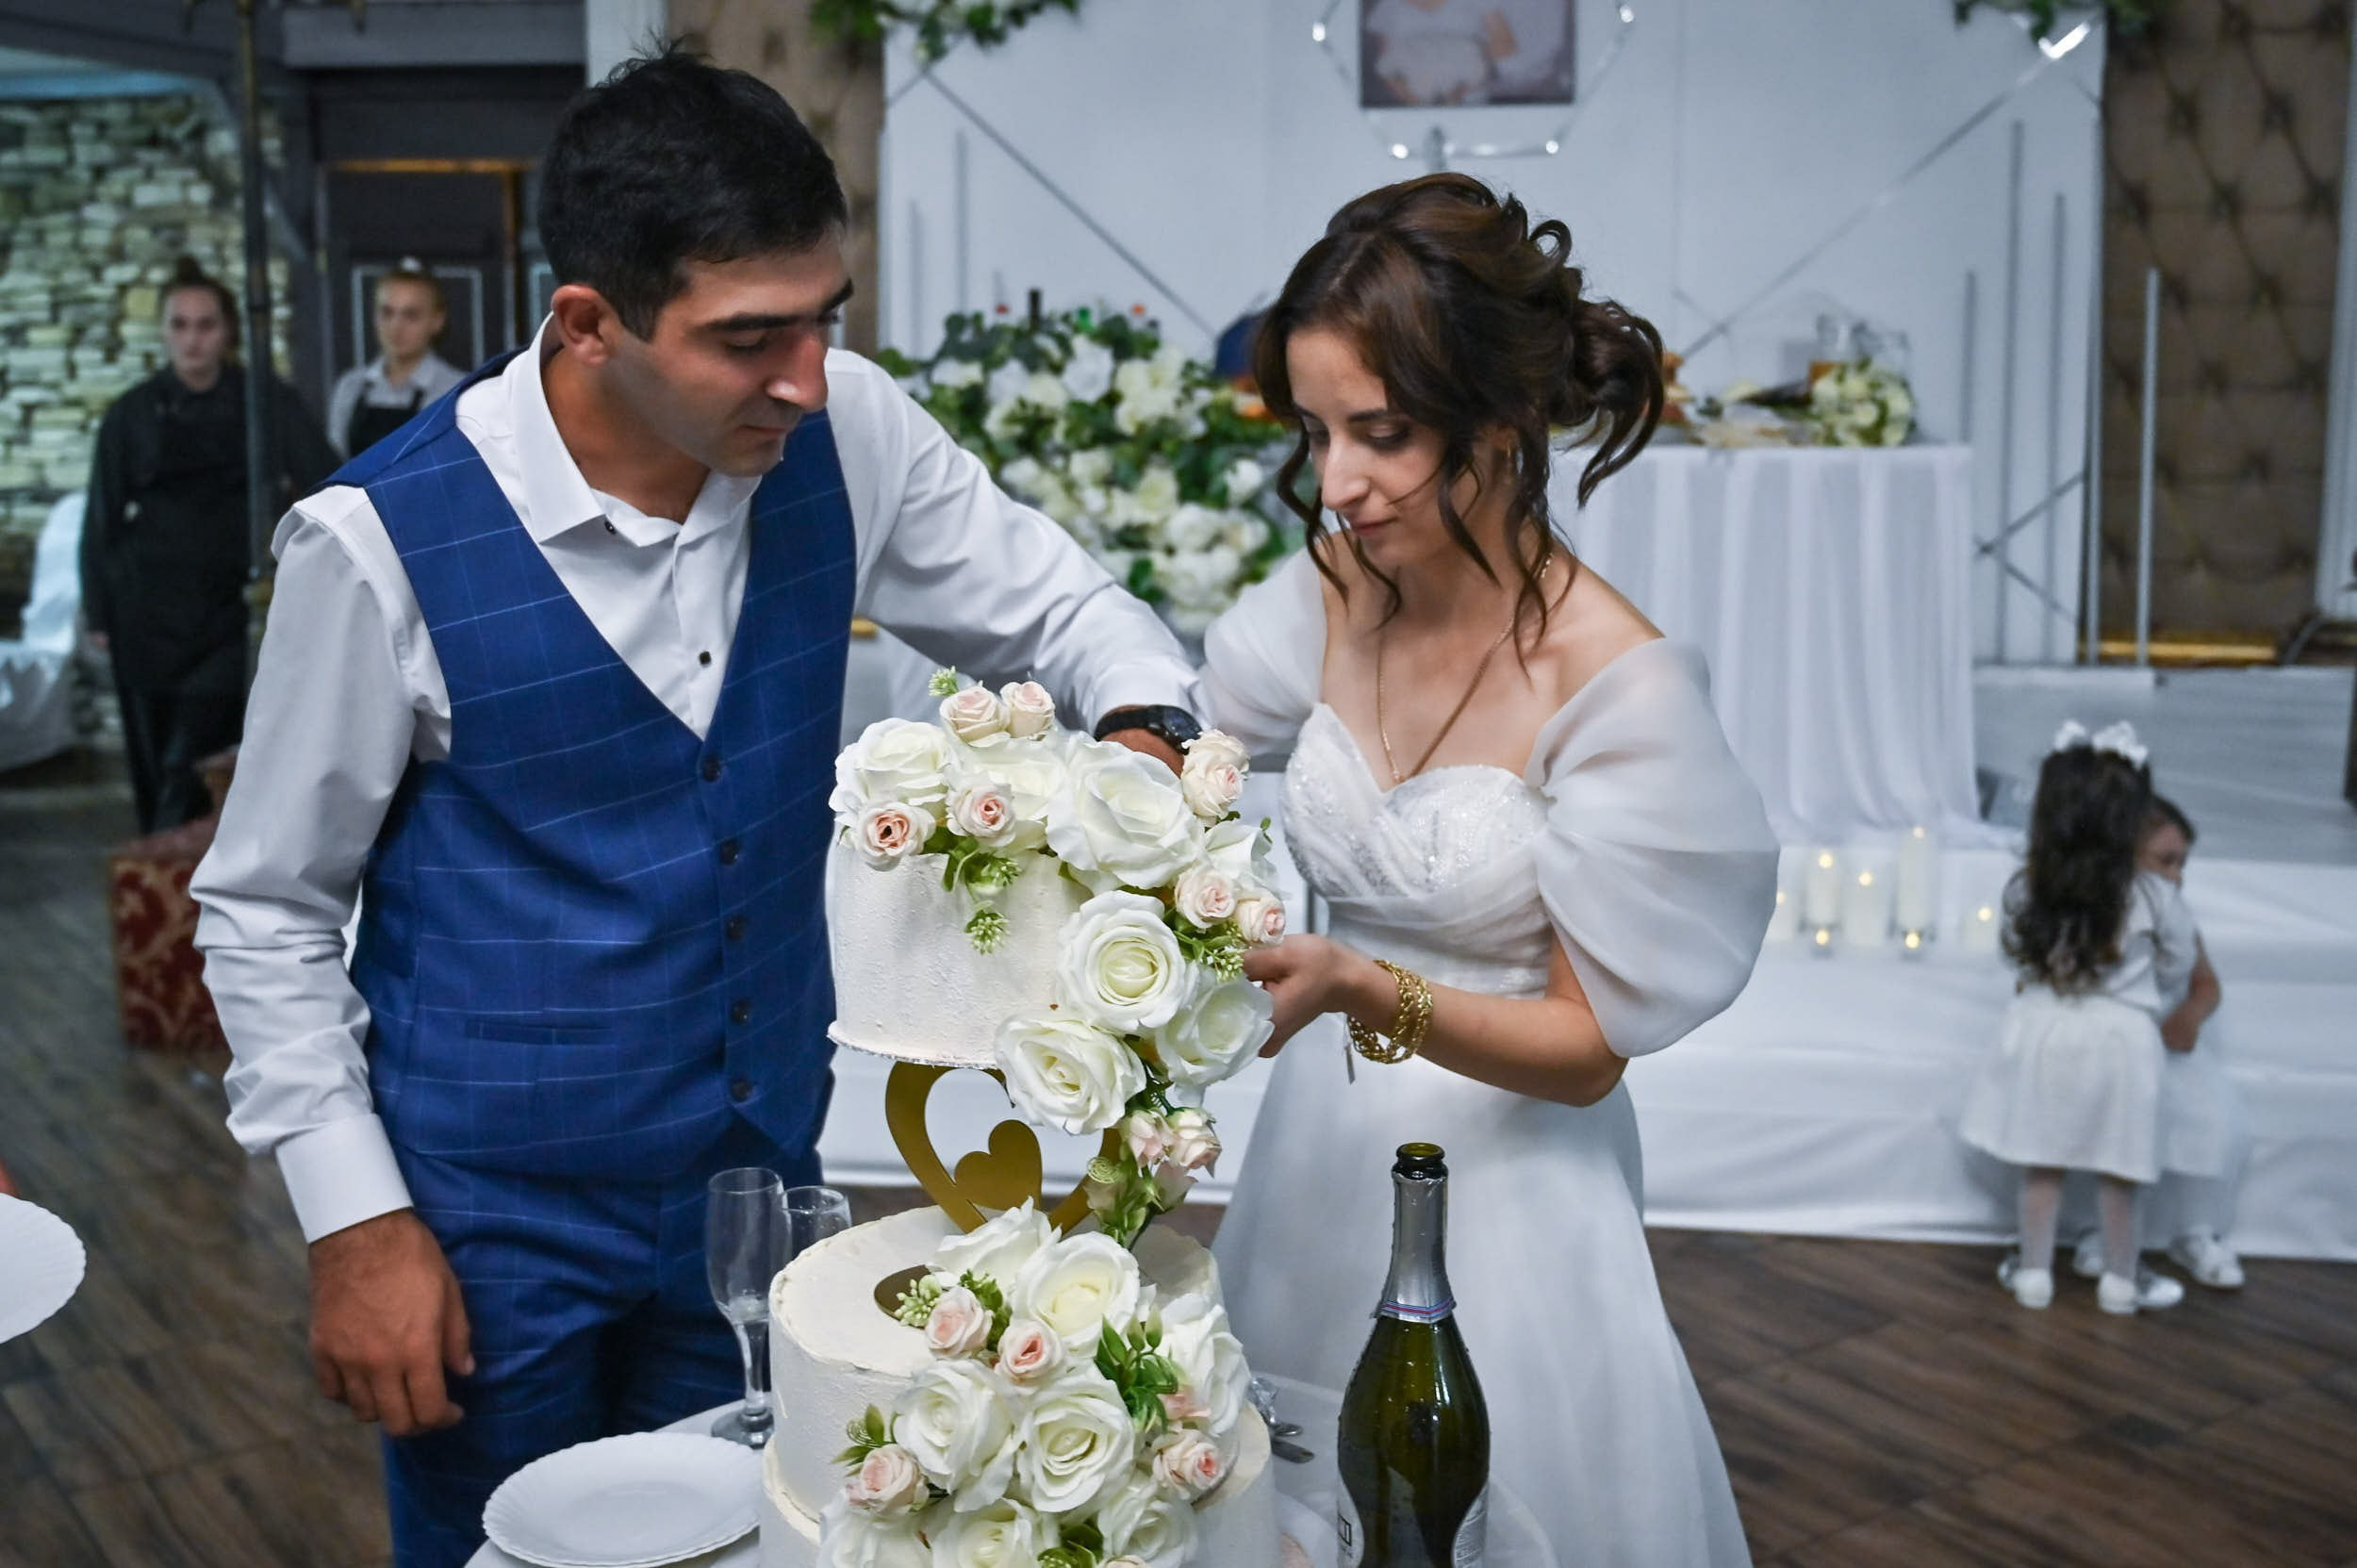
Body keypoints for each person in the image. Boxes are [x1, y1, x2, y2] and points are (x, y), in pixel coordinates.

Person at [190, 50, 1201, 1568]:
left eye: (823, 320)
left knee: (771, 1543)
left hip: (757, 1191)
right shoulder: (376, 543)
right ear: (587, 324)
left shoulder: (843, 431)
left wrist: (1144, 736)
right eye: (748, 337)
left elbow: (1068, 606)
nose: (804, 373)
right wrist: (353, 1220)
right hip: (486, 1222)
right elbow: (265, 903)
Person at [1204, 174, 1777, 1566]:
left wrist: (1351, 977)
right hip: (1310, 1161)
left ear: (1503, 424)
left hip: (1516, 1192)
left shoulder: (1617, 684)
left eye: (1381, 434)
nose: (1335, 484)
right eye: (1320, 431)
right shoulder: (1328, 594)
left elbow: (1588, 1052)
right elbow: (1193, 763)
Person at [81, 256, 338, 833]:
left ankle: (198, 890)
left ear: (226, 332)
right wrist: (99, 609)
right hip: (145, 614)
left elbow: (324, 478)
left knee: (196, 764)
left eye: (205, 326)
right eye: (180, 325)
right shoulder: (131, 414)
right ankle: (160, 890)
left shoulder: (264, 402)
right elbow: (101, 517)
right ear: (165, 332)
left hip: (230, 613)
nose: (192, 340)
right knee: (153, 763)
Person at [1958, 721, 2196, 1316]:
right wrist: (2150, 992)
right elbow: (2179, 960)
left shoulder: (2031, 889)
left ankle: (2034, 1272)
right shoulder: (2153, 897)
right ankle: (2120, 1279)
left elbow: (2015, 950)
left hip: (2048, 1027)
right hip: (2123, 1036)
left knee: (2044, 1161)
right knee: (2121, 1169)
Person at [2070, 794, 2246, 1289]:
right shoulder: (2098, 916)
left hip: (2167, 1051)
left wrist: (2191, 1014)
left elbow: (2207, 983)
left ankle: (2193, 1229)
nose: (2177, 875)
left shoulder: (2177, 917)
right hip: (2114, 1049)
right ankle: (2097, 1228)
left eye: (2183, 863)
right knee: (2103, 1126)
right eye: (2165, 861)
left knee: (2204, 1124)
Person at [325, 260, 466, 458]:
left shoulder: (456, 391)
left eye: (411, 315)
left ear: (437, 321)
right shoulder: (350, 386)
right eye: (387, 312)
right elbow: (334, 465)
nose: (396, 326)